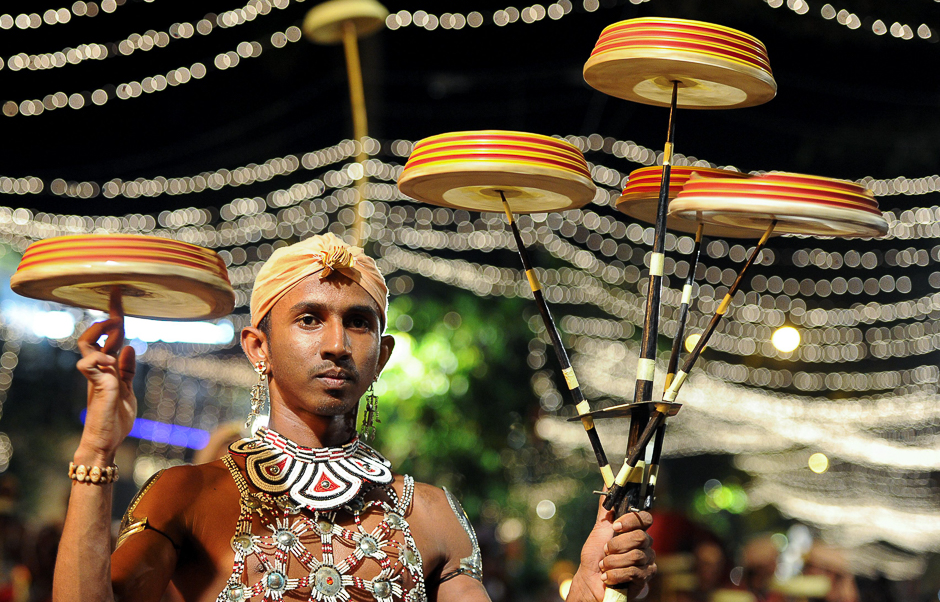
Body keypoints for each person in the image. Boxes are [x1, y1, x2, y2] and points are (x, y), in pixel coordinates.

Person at [51, 233, 656, 602]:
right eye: (310, 319)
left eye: (358, 322)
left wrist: (585, 585)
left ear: (382, 355)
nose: (338, 342)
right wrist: (98, 449)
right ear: (257, 346)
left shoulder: (431, 514)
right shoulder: (186, 495)